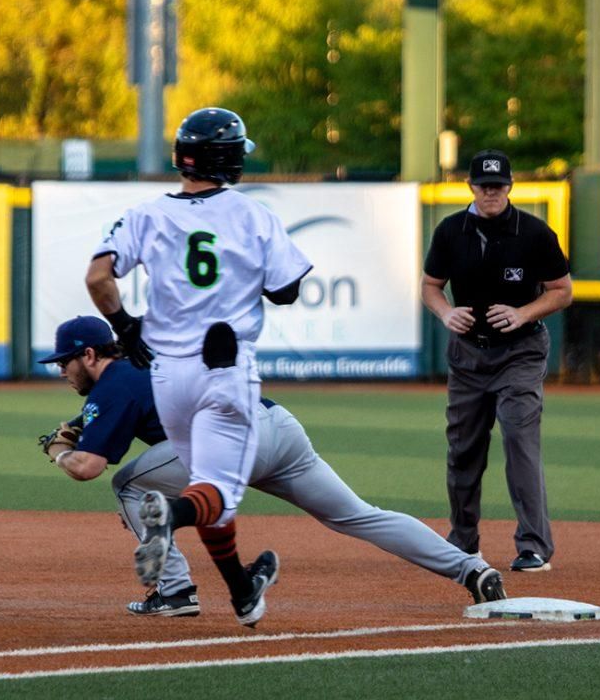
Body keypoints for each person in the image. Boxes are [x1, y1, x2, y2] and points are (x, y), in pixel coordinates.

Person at [37, 315, 507, 618]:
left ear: (90, 355)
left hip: (225, 444)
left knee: (126, 484)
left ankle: (175, 592)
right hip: (276, 427)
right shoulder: (144, 361)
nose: (62, 371)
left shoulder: (111, 385)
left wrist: (56, 451)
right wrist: (83, 423)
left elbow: (87, 467)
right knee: (357, 514)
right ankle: (471, 570)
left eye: (65, 362)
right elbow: (135, 401)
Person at [84, 108, 312, 627]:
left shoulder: (143, 213)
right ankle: (170, 516)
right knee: (214, 495)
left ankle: (242, 592)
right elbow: (287, 289)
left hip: (166, 374)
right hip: (224, 371)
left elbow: (98, 278)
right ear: (229, 159)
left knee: (207, 487)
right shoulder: (251, 213)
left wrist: (124, 325)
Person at [420, 149, 573, 573]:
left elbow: (562, 290)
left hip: (520, 351)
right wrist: (446, 312)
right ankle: (464, 542)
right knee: (463, 449)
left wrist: (523, 313)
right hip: (468, 354)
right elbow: (431, 286)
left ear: (509, 187)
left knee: (519, 441)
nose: (491, 192)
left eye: (499, 185)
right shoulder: (451, 231)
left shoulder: (534, 232)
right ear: (470, 186)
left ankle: (534, 545)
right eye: (484, 185)